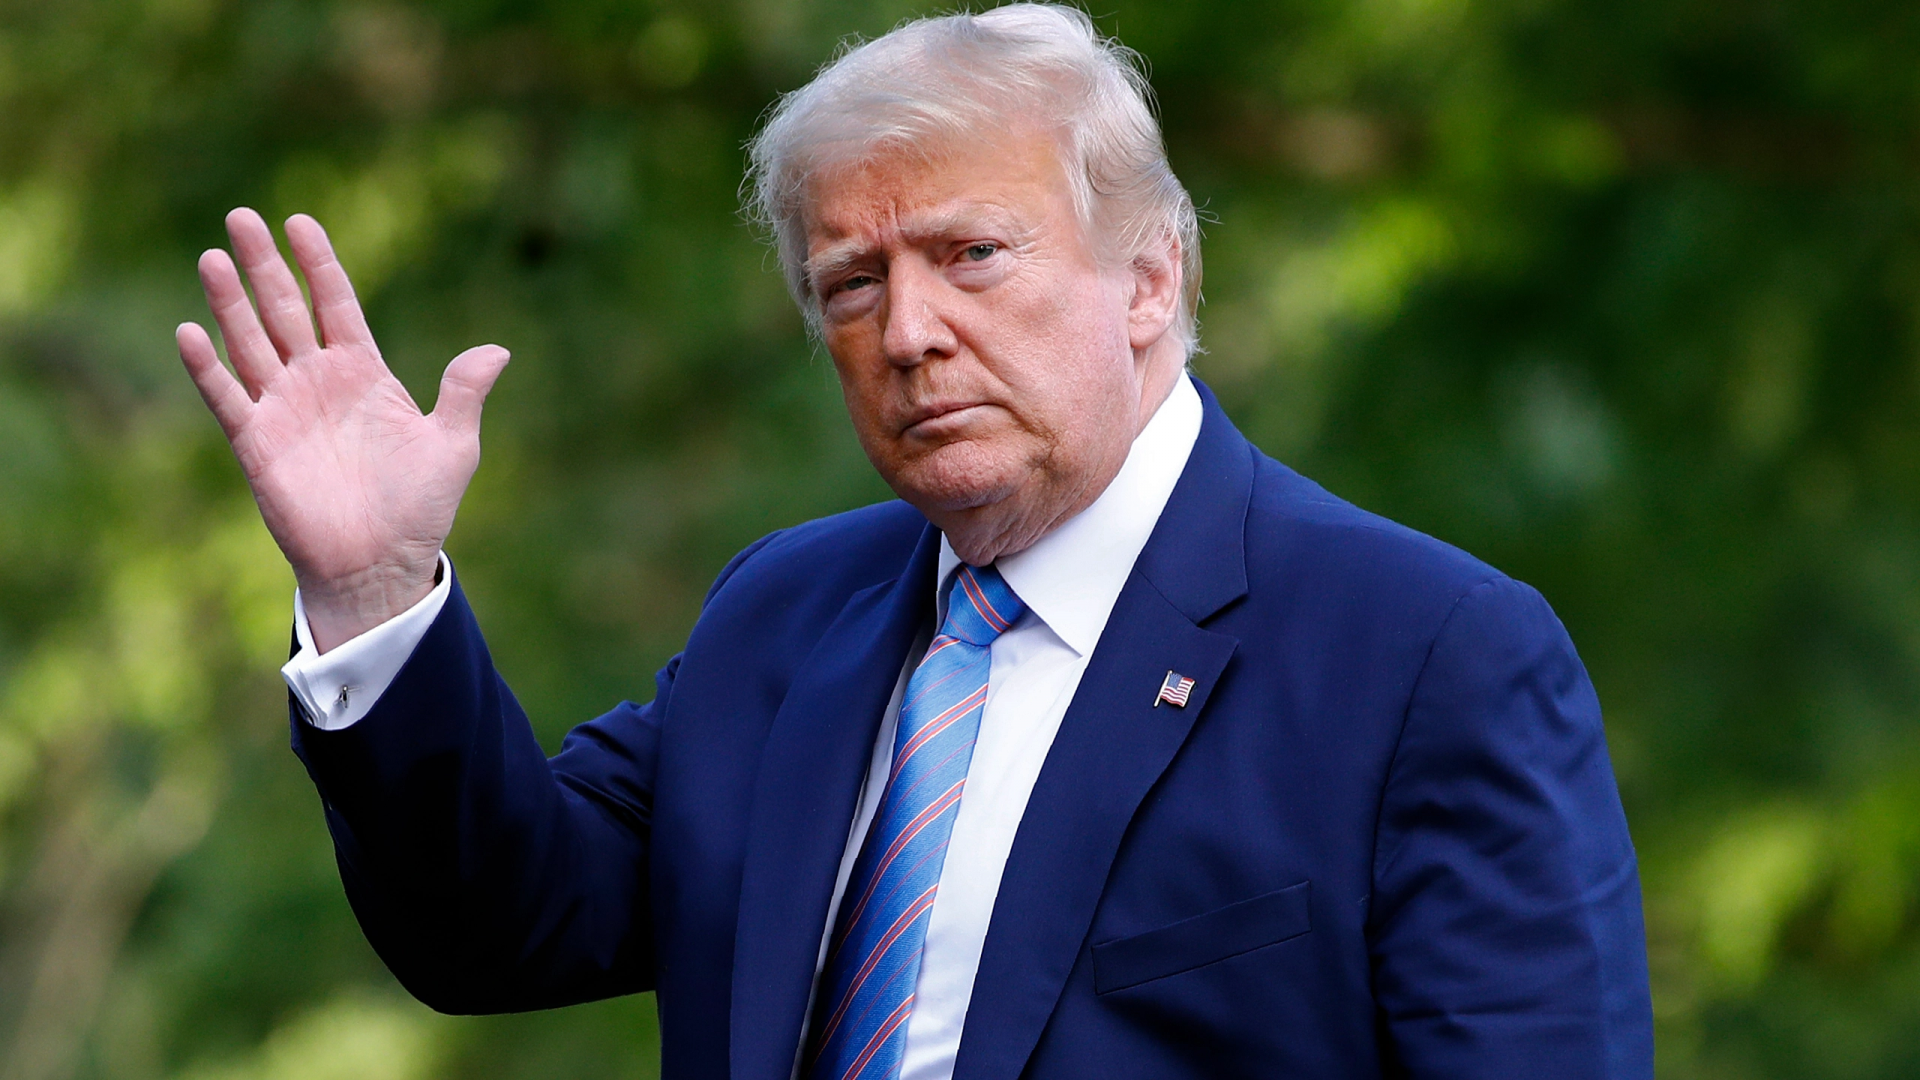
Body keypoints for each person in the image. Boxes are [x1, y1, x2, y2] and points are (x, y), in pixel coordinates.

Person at [175, 6, 1652, 1079]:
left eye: (970, 255)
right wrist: (370, 587)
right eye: (851, 283)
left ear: (1149, 279)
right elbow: (500, 928)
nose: (910, 332)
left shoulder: (1422, 654)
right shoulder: (785, 617)